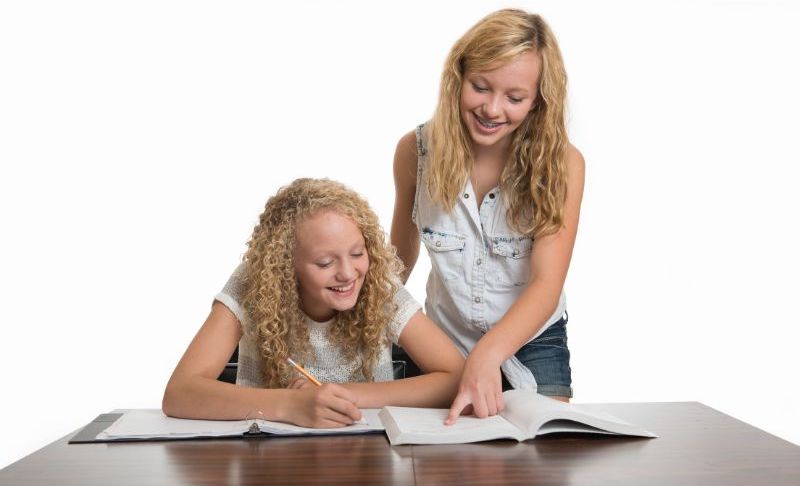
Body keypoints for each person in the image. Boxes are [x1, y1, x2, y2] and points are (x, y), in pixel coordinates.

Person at [390, 9, 585, 424]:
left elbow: (546, 283)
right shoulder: (415, 152)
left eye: (515, 98)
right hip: (441, 338)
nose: (493, 109)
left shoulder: (564, 165)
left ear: (538, 102)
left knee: (543, 453)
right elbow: (397, 261)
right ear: (458, 77)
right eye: (480, 87)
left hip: (534, 342)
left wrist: (487, 354)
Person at [163, 178, 463, 428]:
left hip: (368, 460)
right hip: (269, 462)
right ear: (285, 266)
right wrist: (291, 404)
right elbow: (180, 392)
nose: (348, 273)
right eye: (325, 262)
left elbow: (455, 376)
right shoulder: (253, 283)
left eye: (358, 254)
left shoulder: (378, 283)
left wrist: (343, 396)